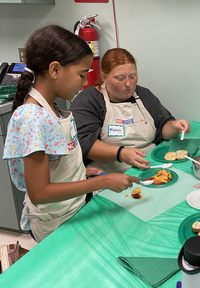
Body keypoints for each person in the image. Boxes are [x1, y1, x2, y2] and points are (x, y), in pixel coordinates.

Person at [2, 25, 139, 243]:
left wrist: (77, 172)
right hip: (54, 222)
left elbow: (53, 165)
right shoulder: (32, 118)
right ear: (55, 70)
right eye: (82, 75)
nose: (85, 83)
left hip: (72, 209)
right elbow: (40, 192)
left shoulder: (53, 110)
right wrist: (102, 182)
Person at [69, 48, 191, 174]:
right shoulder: (89, 101)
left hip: (151, 164)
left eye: (132, 76)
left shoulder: (144, 95)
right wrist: (121, 153)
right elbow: (84, 144)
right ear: (104, 77)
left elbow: (162, 128)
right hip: (112, 173)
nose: (128, 84)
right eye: (120, 78)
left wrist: (175, 126)